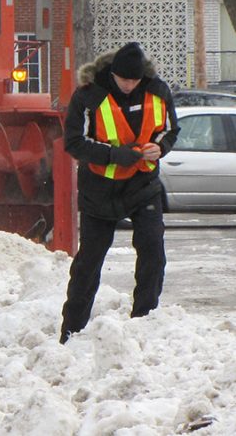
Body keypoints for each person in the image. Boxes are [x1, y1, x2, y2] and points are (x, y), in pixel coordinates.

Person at [59, 42, 179, 343]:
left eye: (134, 80)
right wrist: (114, 155)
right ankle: (71, 330)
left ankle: (144, 321)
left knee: (153, 250)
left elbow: (170, 129)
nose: (129, 85)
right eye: (124, 80)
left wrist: (160, 147)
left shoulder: (158, 92)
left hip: (143, 187)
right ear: (113, 74)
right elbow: (74, 142)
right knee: (89, 262)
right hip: (100, 191)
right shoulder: (88, 96)